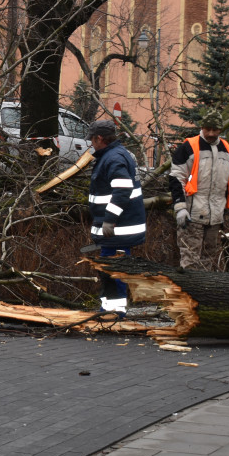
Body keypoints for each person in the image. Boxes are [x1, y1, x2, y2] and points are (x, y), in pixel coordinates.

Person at [168, 110, 229, 270]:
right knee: (190, 261)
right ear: (202, 127)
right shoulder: (189, 147)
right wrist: (180, 208)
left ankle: (203, 294)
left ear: (220, 130)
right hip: (192, 215)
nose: (210, 133)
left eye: (214, 130)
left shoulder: (227, 150)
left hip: (216, 217)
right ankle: (188, 293)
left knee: (207, 261)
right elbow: (176, 178)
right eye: (207, 129)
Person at [87, 119, 147, 314]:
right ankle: (110, 310)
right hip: (119, 228)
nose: (91, 144)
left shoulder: (113, 158)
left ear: (100, 138)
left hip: (117, 228)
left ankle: (114, 313)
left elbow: (122, 190)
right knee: (110, 270)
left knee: (113, 270)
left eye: (93, 140)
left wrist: (109, 219)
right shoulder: (116, 155)